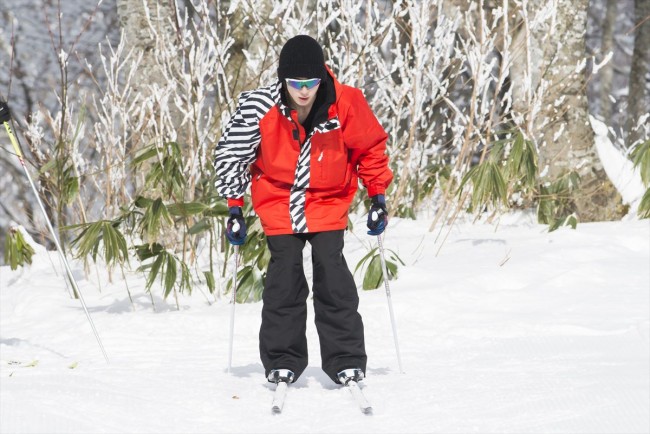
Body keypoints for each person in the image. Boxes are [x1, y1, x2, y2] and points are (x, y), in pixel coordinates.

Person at [213, 35, 393, 386]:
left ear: (321, 77)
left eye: (311, 82)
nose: (305, 91)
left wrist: (378, 197)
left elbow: (370, 148)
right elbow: (232, 155)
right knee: (284, 279)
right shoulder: (260, 106)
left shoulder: (346, 102)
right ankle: (283, 359)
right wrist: (234, 208)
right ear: (283, 79)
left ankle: (345, 359)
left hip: (328, 199)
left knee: (333, 275)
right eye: (296, 83)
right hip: (279, 199)